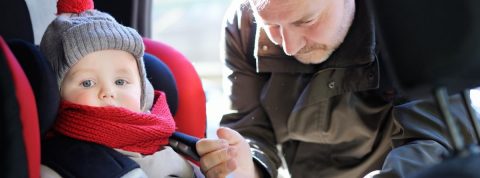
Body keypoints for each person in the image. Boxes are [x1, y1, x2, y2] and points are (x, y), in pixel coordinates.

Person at [218, 0, 477, 177]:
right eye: (271, 27)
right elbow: (251, 128)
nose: (289, 47)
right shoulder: (243, 24)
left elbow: (434, 144)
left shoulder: (412, 18)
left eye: (306, 21)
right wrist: (247, 166)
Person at [38, 0, 252, 177]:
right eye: (87, 83)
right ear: (56, 95)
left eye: (121, 82)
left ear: (144, 92)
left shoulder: (175, 148)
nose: (108, 92)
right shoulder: (57, 166)